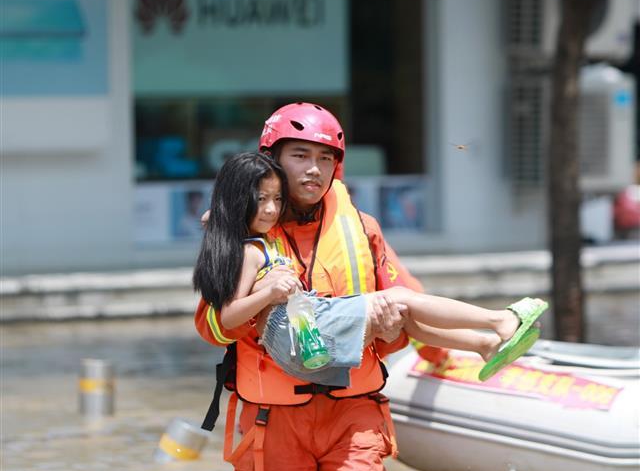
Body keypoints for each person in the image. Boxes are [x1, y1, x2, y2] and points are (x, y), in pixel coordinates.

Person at [192, 102, 517, 471]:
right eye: (299, 156)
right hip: (272, 422)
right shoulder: (243, 231)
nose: (313, 170)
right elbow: (211, 325)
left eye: (325, 158)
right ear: (271, 161)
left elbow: (402, 313)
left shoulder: (361, 229)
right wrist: (262, 308)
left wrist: (397, 337)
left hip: (353, 409)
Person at [193, 151, 547, 388]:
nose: (271, 210)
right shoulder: (249, 251)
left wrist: (217, 219)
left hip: (308, 338)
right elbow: (226, 318)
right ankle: (498, 320)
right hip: (299, 344)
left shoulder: (270, 237)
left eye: (277, 199)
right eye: (260, 200)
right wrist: (269, 290)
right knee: (399, 297)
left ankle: (482, 343)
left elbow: (223, 221)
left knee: (401, 309)